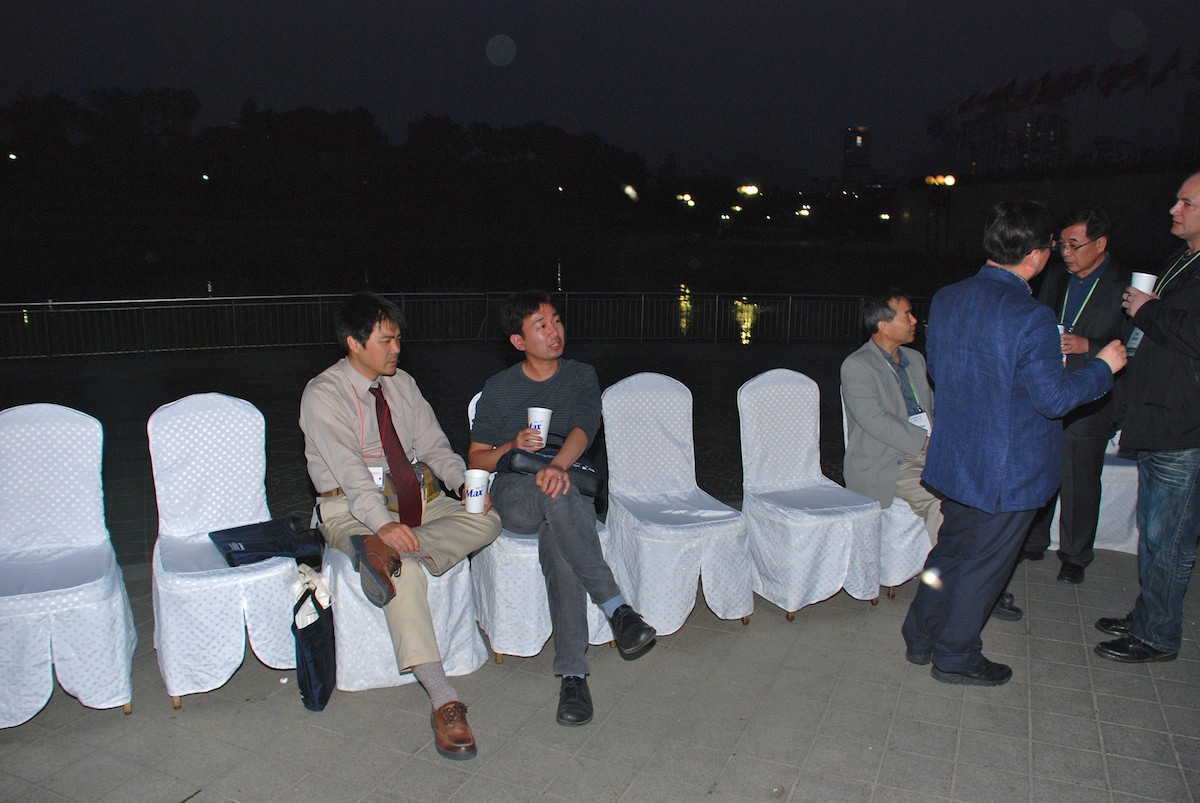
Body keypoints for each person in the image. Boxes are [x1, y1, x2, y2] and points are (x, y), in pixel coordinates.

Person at [903, 201, 1127, 686]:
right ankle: (955, 656)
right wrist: (1103, 367)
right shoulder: (1031, 316)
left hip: (958, 459)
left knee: (949, 554)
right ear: (1035, 255)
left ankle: (920, 634)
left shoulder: (948, 297)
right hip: (1006, 472)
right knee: (983, 569)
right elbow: (1054, 400)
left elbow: (941, 372)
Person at [299, 292, 501, 760]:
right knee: (401, 571)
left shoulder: (402, 384)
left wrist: (464, 483)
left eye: (398, 339)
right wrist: (382, 526)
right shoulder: (323, 394)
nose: (397, 348)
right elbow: (352, 476)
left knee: (487, 517)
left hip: (419, 501)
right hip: (351, 509)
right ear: (354, 343)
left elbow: (435, 446)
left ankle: (401, 549)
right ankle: (444, 699)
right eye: (386, 340)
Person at [468, 290, 656, 727]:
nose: (554, 331)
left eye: (556, 320)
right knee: (560, 497)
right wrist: (512, 444)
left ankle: (574, 676)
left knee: (560, 531)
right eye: (541, 325)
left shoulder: (580, 375)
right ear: (519, 341)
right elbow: (477, 458)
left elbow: (584, 427)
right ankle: (618, 609)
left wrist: (556, 465)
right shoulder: (500, 387)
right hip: (517, 491)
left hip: (566, 481)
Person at [841, 290, 1022, 621]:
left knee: (979, 491)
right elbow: (875, 421)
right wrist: (927, 441)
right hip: (888, 462)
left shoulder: (915, 359)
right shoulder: (857, 365)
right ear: (883, 324)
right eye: (907, 315)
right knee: (943, 504)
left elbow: (935, 408)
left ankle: (981, 578)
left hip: (930, 451)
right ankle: (965, 589)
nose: (915, 320)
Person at [1095, 170, 1200, 664]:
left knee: (1169, 541)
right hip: (1160, 419)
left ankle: (1158, 636)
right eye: (1177, 200)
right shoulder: (1184, 258)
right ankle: (1147, 617)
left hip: (1184, 428)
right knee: (1155, 535)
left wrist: (1147, 310)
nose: (1174, 210)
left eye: (1187, 203)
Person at [1021, 207, 1130, 584]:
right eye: (1062, 245)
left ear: (1100, 244)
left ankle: (1075, 555)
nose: (1066, 253)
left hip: (1092, 396)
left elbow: (1134, 343)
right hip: (1051, 387)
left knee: (1080, 479)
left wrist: (1088, 346)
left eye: (1074, 245)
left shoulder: (1124, 284)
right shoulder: (1055, 278)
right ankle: (1035, 540)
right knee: (1042, 466)